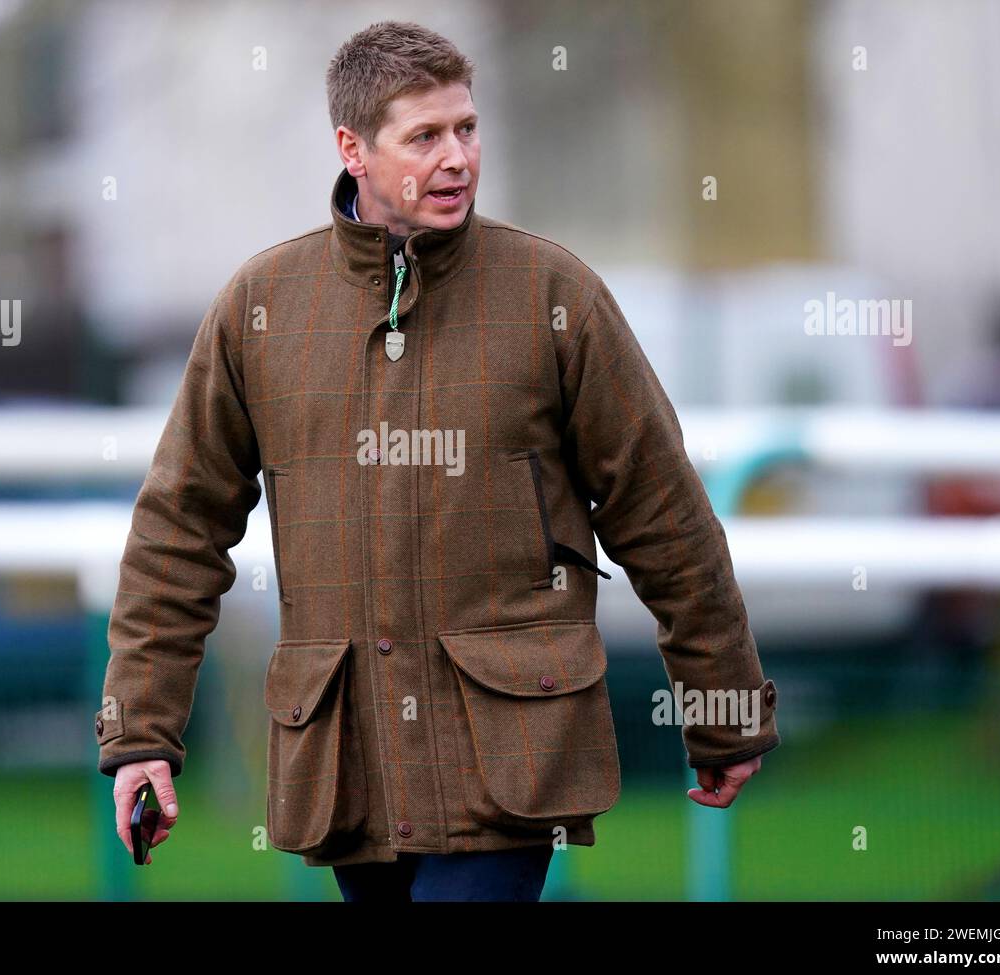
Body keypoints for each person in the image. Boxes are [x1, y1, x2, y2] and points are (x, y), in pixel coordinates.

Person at [95, 20, 780, 902]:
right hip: (347, 766)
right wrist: (141, 733)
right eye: (425, 136)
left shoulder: (553, 295)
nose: (457, 157)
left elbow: (662, 512)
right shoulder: (258, 309)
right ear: (353, 149)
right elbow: (178, 527)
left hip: (511, 754)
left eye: (466, 127)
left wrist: (724, 710)